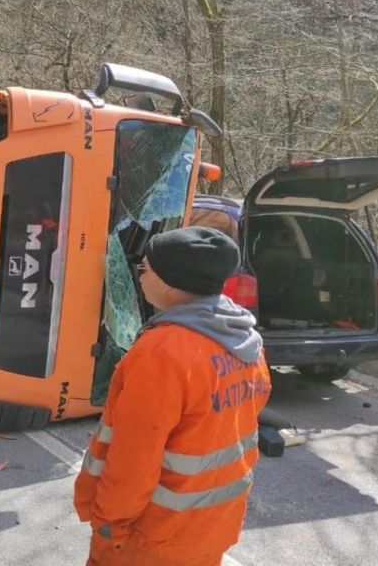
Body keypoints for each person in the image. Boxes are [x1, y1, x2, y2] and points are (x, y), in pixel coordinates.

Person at [74, 227, 271, 566]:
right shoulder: (243, 339)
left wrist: (109, 524)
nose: (140, 278)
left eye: (144, 269)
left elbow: (134, 457)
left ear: (168, 282)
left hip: (151, 537)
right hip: (212, 526)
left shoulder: (161, 353)